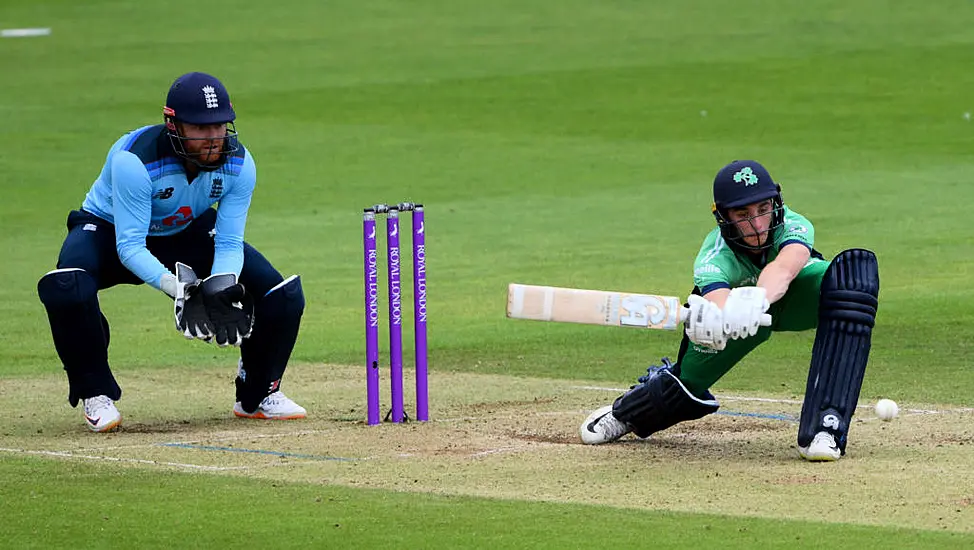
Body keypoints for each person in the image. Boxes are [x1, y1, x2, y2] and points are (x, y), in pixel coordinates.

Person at [37, 72, 307, 432]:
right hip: (109, 230)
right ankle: (96, 394)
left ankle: (257, 394)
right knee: (67, 286)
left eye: (220, 126)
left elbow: (228, 242)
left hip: (183, 229)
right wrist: (180, 288)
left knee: (281, 295)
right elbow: (130, 246)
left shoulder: (240, 164)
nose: (213, 138)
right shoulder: (135, 160)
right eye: (201, 128)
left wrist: (221, 286)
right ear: (173, 124)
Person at [579, 160, 879, 461]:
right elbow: (717, 296)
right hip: (742, 325)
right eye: (743, 214)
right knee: (686, 384)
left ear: (776, 202)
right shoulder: (713, 256)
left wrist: (757, 299)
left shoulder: (795, 224)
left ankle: (825, 428)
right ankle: (630, 411)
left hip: (796, 298)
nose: (758, 223)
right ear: (723, 217)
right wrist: (720, 316)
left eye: (763, 208)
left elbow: (786, 267)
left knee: (853, 275)